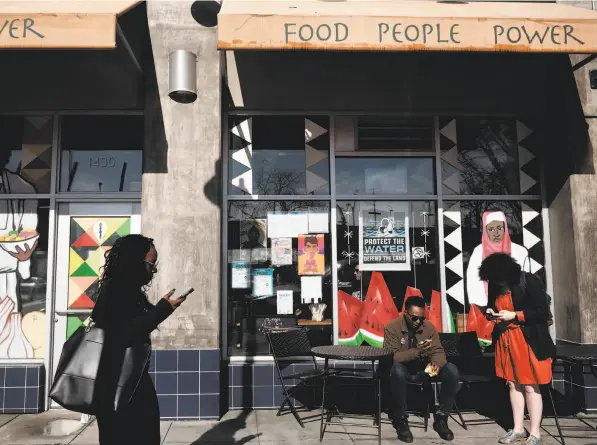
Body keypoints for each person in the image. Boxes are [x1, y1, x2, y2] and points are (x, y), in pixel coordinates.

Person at [91, 234, 186, 445]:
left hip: (126, 382)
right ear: (135, 261)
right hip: (119, 386)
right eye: (152, 264)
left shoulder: (123, 288)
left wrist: (162, 306)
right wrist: (162, 310)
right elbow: (124, 331)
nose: (155, 270)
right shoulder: (117, 288)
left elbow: (132, 321)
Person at [479, 252, 555, 445]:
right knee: (513, 384)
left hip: (527, 340)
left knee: (530, 385)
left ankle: (535, 433)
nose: (496, 282)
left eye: (498, 278)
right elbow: (491, 306)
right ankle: (518, 428)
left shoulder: (528, 281)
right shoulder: (496, 285)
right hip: (506, 339)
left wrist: (514, 315)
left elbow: (542, 312)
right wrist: (489, 313)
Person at [384, 296, 459, 443]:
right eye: (414, 318)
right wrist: (416, 352)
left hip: (425, 369)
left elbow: (438, 351)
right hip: (404, 368)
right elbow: (392, 357)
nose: (418, 321)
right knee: (397, 371)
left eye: (421, 318)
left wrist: (436, 363)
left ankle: (441, 418)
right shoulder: (392, 328)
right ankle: (401, 420)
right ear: (405, 313)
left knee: (452, 371)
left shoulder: (429, 327)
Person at [0, 147, 38, 359]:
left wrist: (25, 256)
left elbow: (27, 231)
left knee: (8, 321)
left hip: (5, 272)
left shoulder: (21, 187)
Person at [466, 209, 532, 307]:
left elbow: (526, 280)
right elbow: (473, 280)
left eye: (500, 228)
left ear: (505, 228)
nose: (496, 233)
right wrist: (479, 305)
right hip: (486, 307)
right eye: (491, 229)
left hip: (515, 306)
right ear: (485, 230)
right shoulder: (478, 252)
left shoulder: (520, 252)